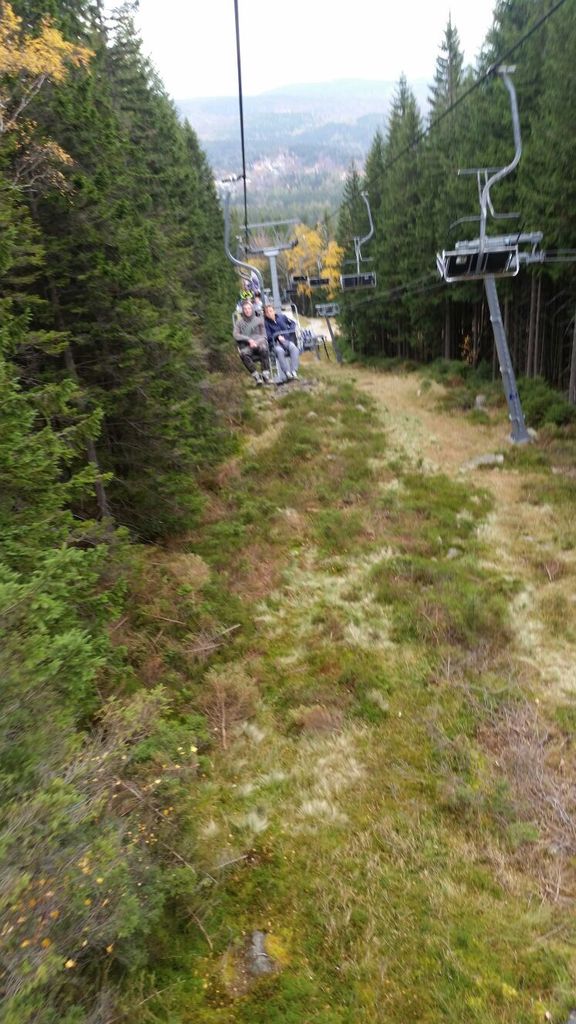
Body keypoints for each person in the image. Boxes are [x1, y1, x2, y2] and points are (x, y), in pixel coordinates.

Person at [233, 299, 271, 385]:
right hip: (247, 346)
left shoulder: (259, 320)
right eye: (245, 309)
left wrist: (256, 342)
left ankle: (266, 375)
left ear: (252, 309)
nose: (247, 311)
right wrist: (248, 340)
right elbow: (236, 335)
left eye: (249, 308)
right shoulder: (239, 323)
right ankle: (257, 377)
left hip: (259, 344)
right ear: (243, 310)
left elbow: (264, 336)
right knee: (243, 354)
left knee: (264, 349)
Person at [264, 304, 300, 383]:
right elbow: (268, 336)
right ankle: (287, 373)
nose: (269, 313)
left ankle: (294, 371)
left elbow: (292, 323)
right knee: (280, 351)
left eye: (270, 311)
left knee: (294, 348)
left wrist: (289, 331)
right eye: (267, 312)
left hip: (286, 340)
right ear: (265, 314)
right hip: (275, 343)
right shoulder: (265, 323)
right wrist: (277, 337)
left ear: (274, 311)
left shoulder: (282, 317)